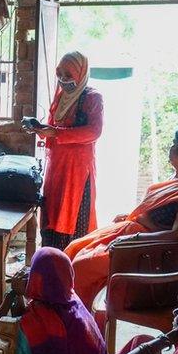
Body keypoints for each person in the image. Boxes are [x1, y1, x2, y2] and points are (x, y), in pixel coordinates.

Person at [65, 127, 178, 310]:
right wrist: (132, 219)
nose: (170, 148)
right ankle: (75, 315)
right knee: (74, 249)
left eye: (173, 144)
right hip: (135, 242)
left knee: (80, 267)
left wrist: (133, 238)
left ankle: (79, 321)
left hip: (145, 254)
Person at [30, 51, 104, 251]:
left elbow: (94, 131)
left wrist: (56, 133)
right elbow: (53, 131)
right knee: (52, 215)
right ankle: (49, 264)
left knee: (73, 216)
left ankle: (70, 269)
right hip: (56, 168)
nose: (63, 79)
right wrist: (41, 130)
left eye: (68, 75)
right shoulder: (60, 98)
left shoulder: (92, 98)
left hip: (77, 172)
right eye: (60, 74)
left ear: (80, 74)